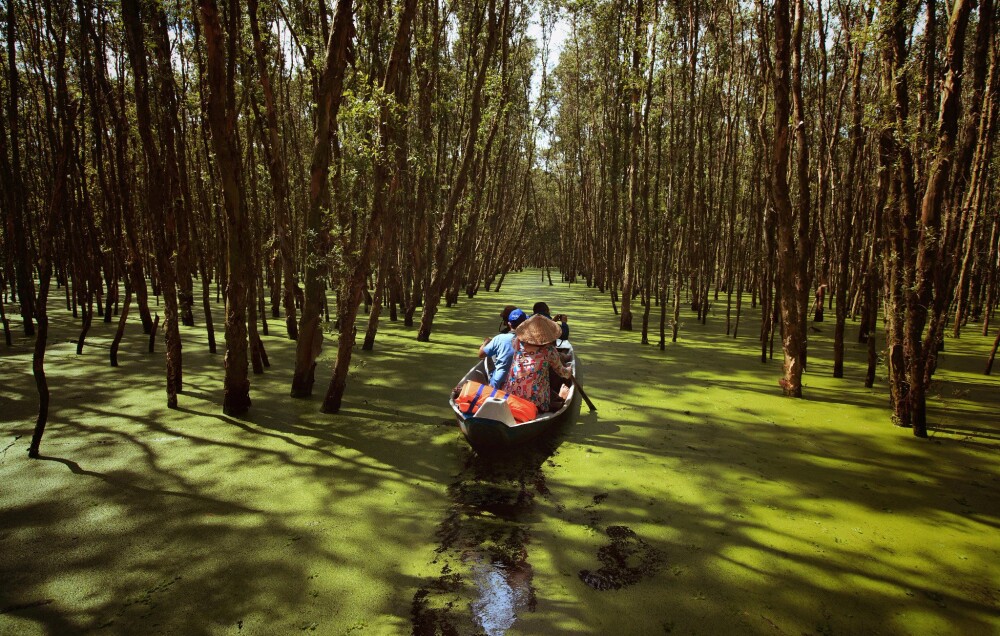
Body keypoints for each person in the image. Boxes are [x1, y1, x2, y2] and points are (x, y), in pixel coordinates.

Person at [504, 314, 573, 412]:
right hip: (536, 401)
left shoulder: (517, 342)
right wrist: (569, 371)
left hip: (511, 394)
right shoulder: (549, 350)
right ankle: (557, 399)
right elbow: (562, 373)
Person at [480, 308, 527, 388]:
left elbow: (481, 355)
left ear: (509, 324)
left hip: (498, 383)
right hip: (521, 384)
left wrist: (485, 342)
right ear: (525, 324)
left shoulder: (499, 338)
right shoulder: (531, 341)